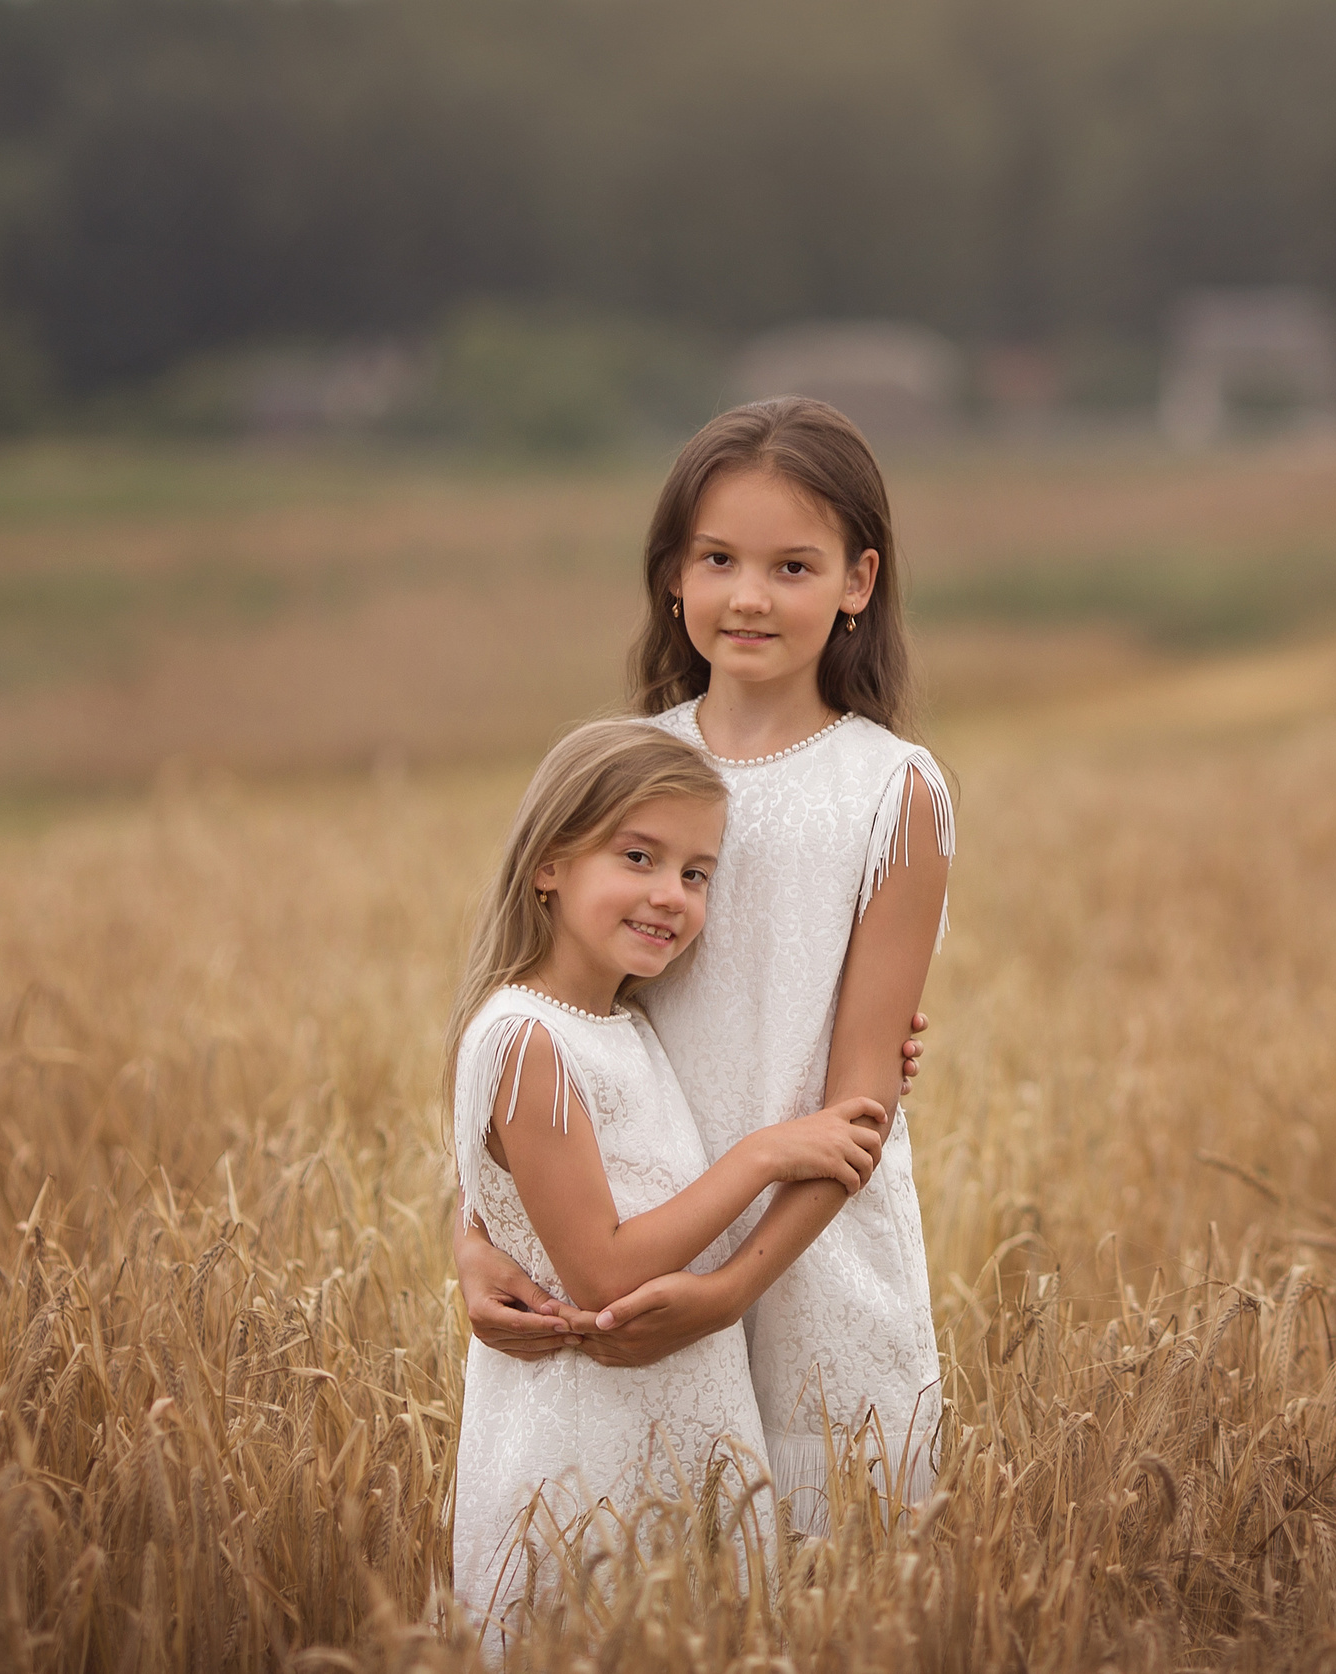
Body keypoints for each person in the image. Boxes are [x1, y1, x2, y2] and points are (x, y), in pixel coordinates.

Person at [457, 396, 954, 1528]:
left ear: (856, 584)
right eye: (718, 559)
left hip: (810, 1259)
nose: (747, 596)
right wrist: (474, 1241)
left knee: (831, 1587)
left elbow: (860, 1102)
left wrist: (730, 1290)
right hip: (622, 1270)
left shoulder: (891, 793)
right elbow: (533, 1021)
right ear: (672, 577)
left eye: (792, 566)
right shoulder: (634, 774)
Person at [446, 718, 890, 1651]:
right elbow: (602, 1272)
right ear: (548, 864)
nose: (670, 896)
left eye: (695, 874)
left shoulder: (622, 1025)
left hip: (674, 1418)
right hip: (585, 1443)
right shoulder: (529, 1038)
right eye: (639, 857)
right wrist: (766, 1155)